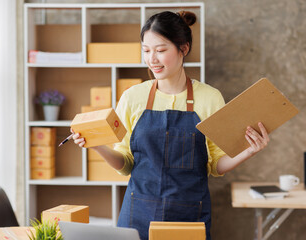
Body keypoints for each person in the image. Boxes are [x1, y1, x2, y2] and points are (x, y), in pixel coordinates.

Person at [71, 10, 269, 240]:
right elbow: (125, 164)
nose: (151, 59)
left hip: (189, 216)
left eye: (161, 50)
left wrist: (249, 150)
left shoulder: (210, 98)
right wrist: (96, 145)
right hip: (138, 216)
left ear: (183, 49)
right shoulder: (132, 97)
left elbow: (216, 165)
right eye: (146, 51)